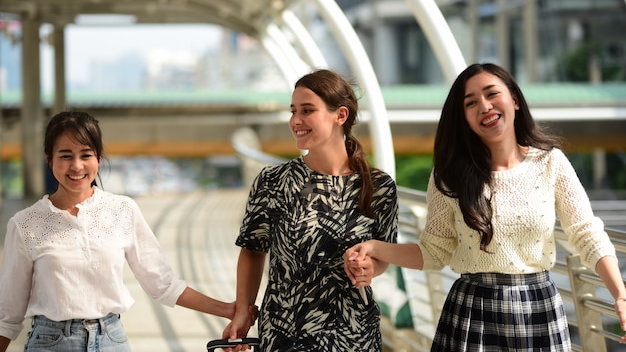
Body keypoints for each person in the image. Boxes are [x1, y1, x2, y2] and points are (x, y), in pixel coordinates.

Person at [344, 63, 626, 351]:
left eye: (492, 94)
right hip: (473, 313)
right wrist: (375, 247)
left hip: (539, 308)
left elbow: (587, 233)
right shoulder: (449, 175)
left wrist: (620, 295)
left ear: (514, 100)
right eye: (471, 103)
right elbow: (433, 252)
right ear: (464, 117)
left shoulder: (550, 162)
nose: (485, 106)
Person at [0, 111, 256, 352]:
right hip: (51, 342)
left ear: (98, 158)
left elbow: (162, 284)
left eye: (86, 155)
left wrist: (230, 311)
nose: (77, 166)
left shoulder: (123, 210)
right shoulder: (25, 224)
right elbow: (8, 315)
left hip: (112, 340)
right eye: (65, 156)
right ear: (49, 159)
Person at [223, 68, 399, 351]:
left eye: (307, 110)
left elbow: (384, 254)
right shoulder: (273, 181)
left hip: (353, 333)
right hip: (285, 333)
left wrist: (369, 269)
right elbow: (253, 250)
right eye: (293, 111)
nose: (296, 121)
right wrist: (243, 311)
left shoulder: (379, 187)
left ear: (340, 116)